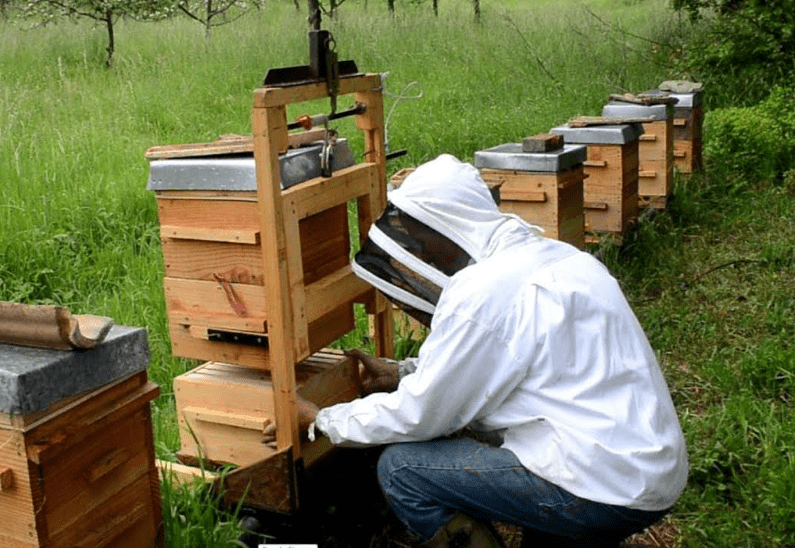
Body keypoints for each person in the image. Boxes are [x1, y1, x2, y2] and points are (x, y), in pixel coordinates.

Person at [264, 154, 688, 547]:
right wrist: (404, 372)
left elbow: (421, 415)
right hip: (648, 469)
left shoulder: (485, 291)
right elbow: (502, 361)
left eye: (422, 239)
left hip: (599, 484)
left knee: (403, 469)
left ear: (446, 225)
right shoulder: (556, 257)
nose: (423, 253)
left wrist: (324, 419)